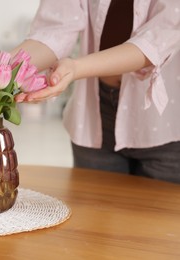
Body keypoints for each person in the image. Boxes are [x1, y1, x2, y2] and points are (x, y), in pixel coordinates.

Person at [12, 0, 180, 183]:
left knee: (159, 210)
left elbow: (157, 41)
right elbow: (55, 29)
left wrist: (75, 69)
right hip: (95, 112)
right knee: (94, 209)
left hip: (163, 122)